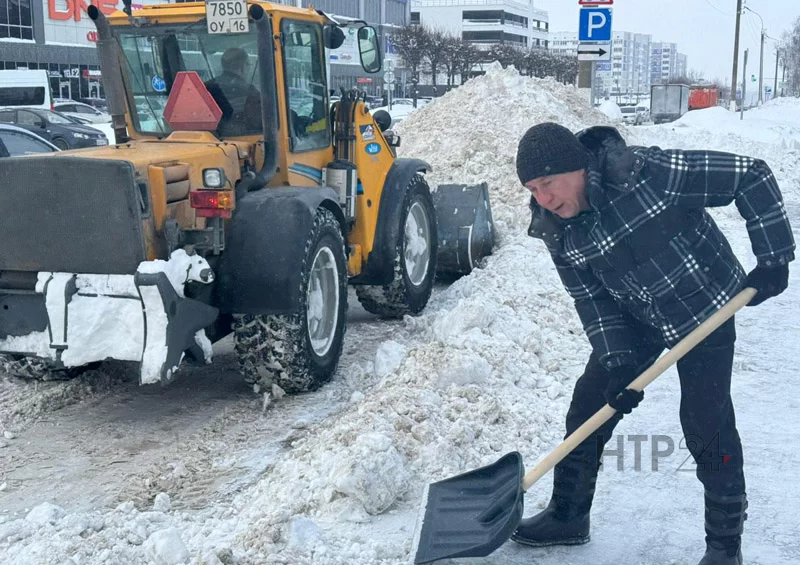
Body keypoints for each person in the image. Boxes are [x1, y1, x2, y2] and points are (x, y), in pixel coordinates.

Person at [512, 122, 794, 565]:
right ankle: (568, 515)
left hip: (706, 306)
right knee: (589, 404)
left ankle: (724, 547)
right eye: (532, 188)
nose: (542, 198)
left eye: (548, 183)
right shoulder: (555, 226)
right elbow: (591, 297)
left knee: (706, 423)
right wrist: (619, 361)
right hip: (636, 313)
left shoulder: (648, 173)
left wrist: (774, 256)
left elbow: (750, 174)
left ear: (579, 169)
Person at [205, 47, 261, 136]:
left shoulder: (206, 87)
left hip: (209, 139)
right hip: (242, 140)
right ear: (243, 67)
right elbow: (260, 122)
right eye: (249, 65)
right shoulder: (250, 92)